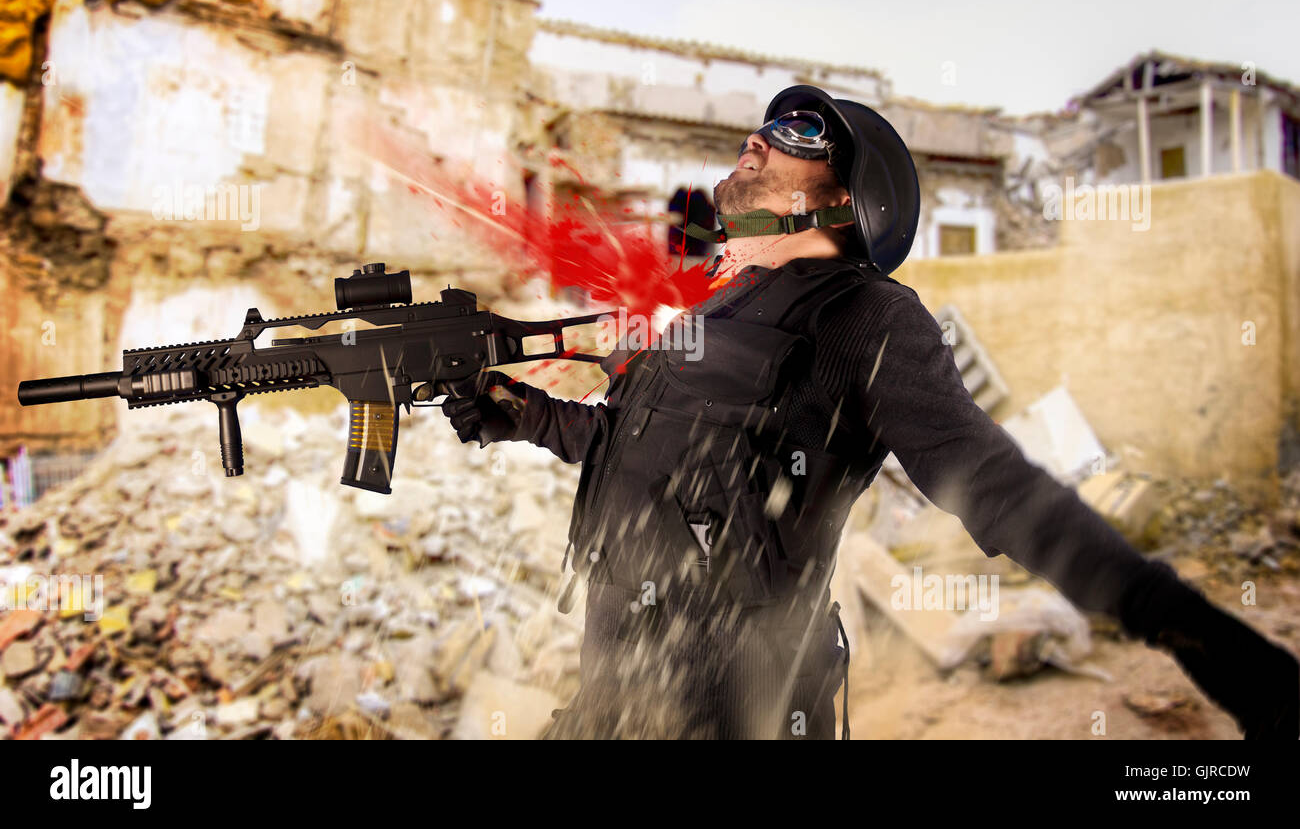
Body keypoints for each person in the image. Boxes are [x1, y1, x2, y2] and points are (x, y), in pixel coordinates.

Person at [441, 85, 1299, 740]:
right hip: (617, 691)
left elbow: (1000, 489)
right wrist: (515, 411)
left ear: (846, 201)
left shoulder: (868, 321)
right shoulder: (713, 309)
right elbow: (636, 446)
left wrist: (1201, 636)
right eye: (766, 125)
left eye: (799, 136)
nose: (758, 139)